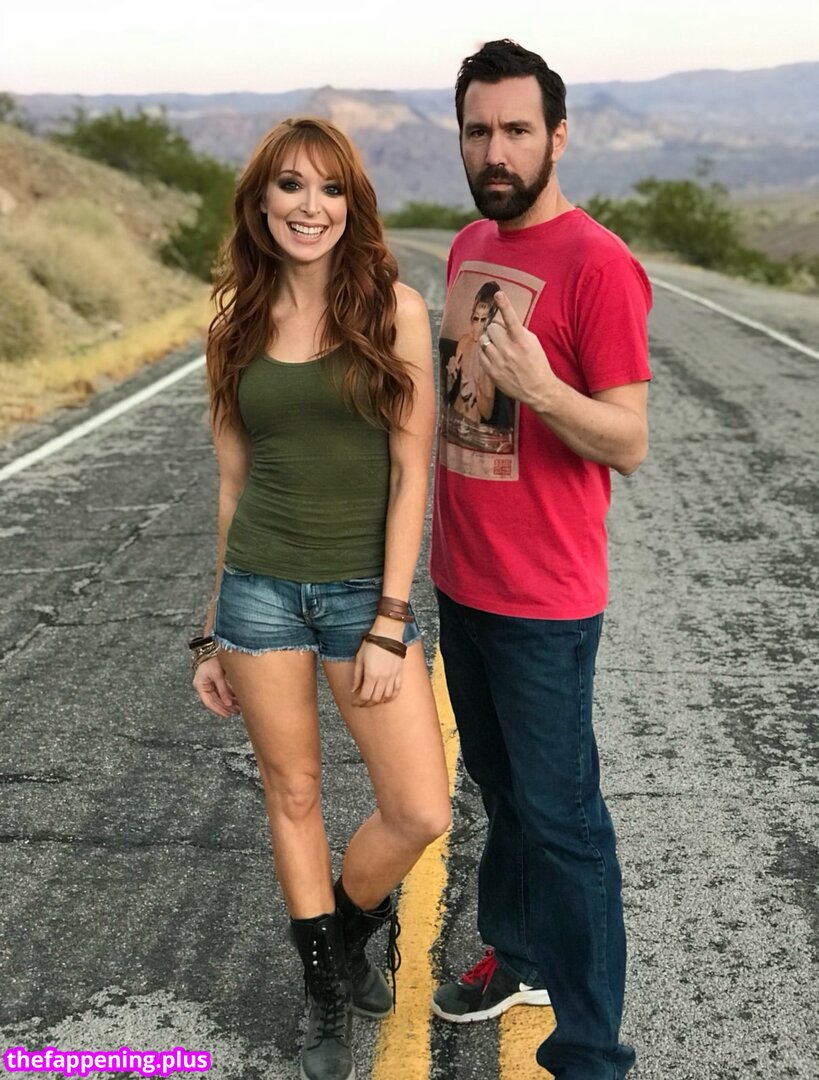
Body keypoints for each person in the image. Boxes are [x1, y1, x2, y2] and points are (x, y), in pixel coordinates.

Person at [191, 116, 451, 1080]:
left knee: (419, 809)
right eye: (291, 186)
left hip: (359, 598)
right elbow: (232, 485)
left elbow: (412, 469)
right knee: (293, 792)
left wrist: (390, 617)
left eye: (330, 189)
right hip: (258, 594)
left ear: (352, 204)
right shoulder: (233, 328)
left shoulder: (393, 311)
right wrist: (212, 632)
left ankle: (343, 932)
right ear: (260, 202)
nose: (311, 207)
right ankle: (322, 994)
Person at [429, 40, 652, 1080]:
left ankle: (593, 1051)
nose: (497, 150)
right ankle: (517, 959)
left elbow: (628, 440)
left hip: (544, 604)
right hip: (461, 581)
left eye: (517, 129)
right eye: (479, 130)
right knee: (501, 789)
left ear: (557, 136)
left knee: (564, 823)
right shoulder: (468, 244)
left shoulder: (599, 265)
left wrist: (544, 389)